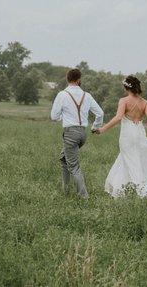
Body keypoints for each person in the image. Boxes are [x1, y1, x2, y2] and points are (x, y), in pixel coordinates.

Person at [95, 75, 147, 198]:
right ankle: (120, 189)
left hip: (127, 134)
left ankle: (140, 188)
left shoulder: (124, 101)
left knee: (131, 161)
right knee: (128, 159)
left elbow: (118, 117)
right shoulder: (145, 103)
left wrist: (102, 129)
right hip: (139, 132)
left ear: (126, 87)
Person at [50, 68, 104, 198]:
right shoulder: (87, 95)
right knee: (64, 159)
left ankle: (84, 196)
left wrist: (64, 117)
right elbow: (100, 113)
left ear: (67, 79)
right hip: (82, 134)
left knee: (73, 166)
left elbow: (54, 116)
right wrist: (95, 127)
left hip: (70, 133)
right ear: (79, 80)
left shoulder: (62, 95)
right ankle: (65, 190)